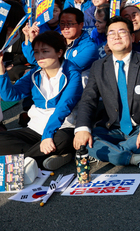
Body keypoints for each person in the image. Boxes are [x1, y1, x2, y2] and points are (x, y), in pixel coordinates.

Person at [73, 16, 140, 169]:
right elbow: (88, 100)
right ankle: (135, 158)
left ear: (132, 37)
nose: (116, 36)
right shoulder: (98, 66)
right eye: (111, 33)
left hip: (138, 127)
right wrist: (82, 128)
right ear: (107, 39)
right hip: (111, 128)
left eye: (122, 32)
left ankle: (109, 153)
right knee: (83, 139)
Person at [0, 31, 83, 170]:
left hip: (62, 127)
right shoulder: (35, 72)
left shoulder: (73, 74)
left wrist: (47, 135)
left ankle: (23, 164)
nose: (39, 56)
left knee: (64, 140)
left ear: (59, 52)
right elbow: (10, 95)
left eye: (45, 51)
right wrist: (1, 70)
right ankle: (45, 156)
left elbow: (64, 108)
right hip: (35, 129)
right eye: (36, 52)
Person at [23, 8, 99, 81]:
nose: (65, 27)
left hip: (78, 89)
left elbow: (68, 68)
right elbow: (33, 60)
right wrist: (32, 39)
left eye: (70, 24)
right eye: (62, 24)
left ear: (81, 25)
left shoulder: (89, 47)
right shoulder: (55, 40)